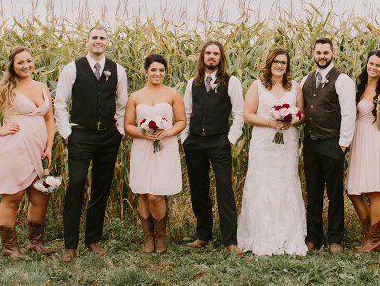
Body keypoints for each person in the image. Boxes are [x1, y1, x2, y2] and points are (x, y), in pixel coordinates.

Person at [0, 46, 55, 258]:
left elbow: (49, 119)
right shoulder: (5, 88)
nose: (26, 65)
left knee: (41, 197)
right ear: (12, 66)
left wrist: (49, 147)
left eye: (29, 61)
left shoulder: (42, 87)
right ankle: (10, 248)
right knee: (13, 198)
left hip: (38, 150)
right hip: (13, 148)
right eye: (20, 63)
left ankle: (35, 243)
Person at [54, 26, 128, 261]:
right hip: (81, 135)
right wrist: (67, 133)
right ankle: (70, 246)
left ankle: (92, 240)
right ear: (87, 41)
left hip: (108, 136)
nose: (98, 41)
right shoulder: (72, 68)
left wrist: (119, 131)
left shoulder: (117, 70)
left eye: (102, 38)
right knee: (76, 184)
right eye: (94, 37)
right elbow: (60, 103)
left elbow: (122, 104)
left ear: (107, 42)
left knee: (101, 186)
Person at [236, 48, 308, 255]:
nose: (279, 65)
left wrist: (291, 120)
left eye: (283, 62)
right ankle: (261, 235)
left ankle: (288, 235)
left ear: (287, 66)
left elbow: (303, 115)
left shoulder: (295, 87)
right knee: (263, 183)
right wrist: (270, 122)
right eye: (276, 61)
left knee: (286, 182)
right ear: (269, 63)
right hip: (264, 143)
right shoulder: (257, 86)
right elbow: (247, 115)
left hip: (287, 142)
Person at [181, 40, 245, 256]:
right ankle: (203, 236)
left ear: (221, 57)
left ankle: (230, 241)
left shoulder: (231, 82)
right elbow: (186, 113)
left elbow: (238, 114)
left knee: (224, 188)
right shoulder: (193, 83)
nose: (211, 56)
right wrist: (185, 139)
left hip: (219, 142)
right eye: (208, 53)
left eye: (215, 53)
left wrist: (230, 139)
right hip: (195, 142)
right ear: (202, 57)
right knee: (198, 190)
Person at [123, 53, 186, 254]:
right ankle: (148, 239)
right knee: (143, 193)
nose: (157, 73)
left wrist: (168, 132)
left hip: (165, 148)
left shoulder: (173, 94)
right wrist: (142, 133)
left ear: (165, 72)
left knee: (155, 195)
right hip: (143, 148)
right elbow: (127, 126)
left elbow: (182, 121)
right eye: (153, 70)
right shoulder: (135, 97)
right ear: (146, 72)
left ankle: (161, 238)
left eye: (161, 70)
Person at [301, 37, 357, 254]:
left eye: (326, 52)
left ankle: (335, 238)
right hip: (311, 144)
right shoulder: (306, 79)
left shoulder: (342, 80)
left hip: (332, 144)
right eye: (318, 53)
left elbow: (348, 114)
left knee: (334, 194)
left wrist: (342, 145)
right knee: (313, 193)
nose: (322, 56)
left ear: (333, 54)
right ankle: (313, 237)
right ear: (313, 54)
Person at [345, 50, 380, 253]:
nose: (373, 67)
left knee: (372, 191)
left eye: (378, 65)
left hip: (373, 140)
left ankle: (374, 238)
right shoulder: (360, 87)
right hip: (358, 140)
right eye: (371, 63)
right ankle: (369, 233)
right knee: (353, 190)